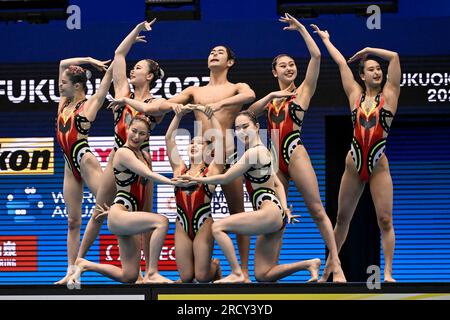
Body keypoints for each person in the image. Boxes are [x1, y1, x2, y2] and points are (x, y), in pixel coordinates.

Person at [77, 20, 182, 280]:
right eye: (133, 68)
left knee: (145, 215)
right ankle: (75, 262)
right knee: (98, 210)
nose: (132, 71)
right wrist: (137, 30)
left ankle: (149, 273)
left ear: (149, 77)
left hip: (143, 161)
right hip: (119, 156)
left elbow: (163, 108)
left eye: (138, 68)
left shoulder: (153, 102)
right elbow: (119, 55)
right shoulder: (122, 89)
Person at [248, 13, 345, 282]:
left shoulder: (301, 92)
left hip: (294, 153)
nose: (289, 68)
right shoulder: (271, 100)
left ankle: (335, 266)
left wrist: (302, 29)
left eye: (292, 65)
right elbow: (249, 113)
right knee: (276, 215)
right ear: (274, 71)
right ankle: (272, 267)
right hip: (273, 161)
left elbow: (316, 58)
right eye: (283, 65)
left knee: (316, 209)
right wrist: (269, 96)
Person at [180, 111, 321, 283]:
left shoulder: (252, 153)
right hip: (275, 214)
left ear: (257, 127)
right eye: (237, 128)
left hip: (268, 212)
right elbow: (277, 184)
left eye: (245, 127)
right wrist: (284, 209)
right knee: (263, 275)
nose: (241, 132)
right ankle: (309, 264)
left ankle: (236, 273)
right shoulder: (265, 151)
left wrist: (195, 179)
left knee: (217, 227)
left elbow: (226, 178)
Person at [312, 24, 400, 282]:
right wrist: (327, 40)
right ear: (362, 75)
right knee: (341, 218)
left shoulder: (391, 95)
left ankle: (388, 273)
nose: (377, 72)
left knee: (385, 219)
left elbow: (394, 57)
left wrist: (370, 50)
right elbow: (340, 63)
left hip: (378, 164)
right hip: (353, 164)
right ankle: (330, 267)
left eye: (378, 69)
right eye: (371, 69)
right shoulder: (355, 95)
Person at [67, 115, 191, 288]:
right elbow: (147, 175)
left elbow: (143, 190)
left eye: (142, 134)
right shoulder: (123, 153)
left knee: (129, 275)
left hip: (127, 218)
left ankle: (85, 264)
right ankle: (152, 273)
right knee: (161, 221)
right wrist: (173, 182)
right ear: (127, 129)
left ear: (147, 137)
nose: (136, 136)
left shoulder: (145, 156)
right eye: (133, 131)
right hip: (121, 214)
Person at [168, 45, 256, 282]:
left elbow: (250, 96)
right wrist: (171, 107)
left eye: (220, 52)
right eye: (211, 52)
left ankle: (243, 272)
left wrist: (220, 105)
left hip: (227, 155)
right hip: (204, 159)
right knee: (195, 208)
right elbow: (166, 103)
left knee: (237, 211)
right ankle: (207, 266)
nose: (214, 54)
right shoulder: (195, 91)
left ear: (230, 62)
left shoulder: (236, 88)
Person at [54, 57, 113, 285]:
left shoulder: (88, 105)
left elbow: (105, 83)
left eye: (64, 83)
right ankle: (71, 270)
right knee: (72, 221)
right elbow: (62, 63)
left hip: (85, 160)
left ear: (77, 86)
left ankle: (134, 265)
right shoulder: (63, 104)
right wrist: (88, 60)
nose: (60, 85)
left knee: (107, 209)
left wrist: (115, 60)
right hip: (69, 165)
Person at [165, 105, 224, 283]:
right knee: (185, 277)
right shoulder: (179, 169)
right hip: (181, 224)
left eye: (199, 143)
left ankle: (214, 265)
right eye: (191, 142)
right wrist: (178, 115)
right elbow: (169, 138)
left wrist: (211, 115)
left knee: (202, 277)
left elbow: (220, 139)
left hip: (204, 225)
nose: (193, 145)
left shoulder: (212, 171)